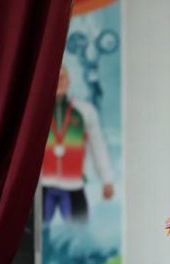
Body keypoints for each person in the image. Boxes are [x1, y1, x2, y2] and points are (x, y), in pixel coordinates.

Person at [40, 65, 114, 223]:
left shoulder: (85, 111)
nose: (59, 81)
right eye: (55, 77)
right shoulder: (36, 111)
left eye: (63, 77)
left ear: (69, 81)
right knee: (36, 234)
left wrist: (107, 180)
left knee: (79, 232)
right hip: (43, 185)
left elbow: (98, 146)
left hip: (73, 184)